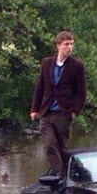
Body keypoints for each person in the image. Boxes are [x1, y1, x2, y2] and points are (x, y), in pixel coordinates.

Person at [30, 31, 87, 177]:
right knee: (49, 144)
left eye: (72, 44)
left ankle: (72, 174)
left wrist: (75, 111)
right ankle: (60, 175)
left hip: (64, 113)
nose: (70, 47)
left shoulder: (77, 66)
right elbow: (40, 87)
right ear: (58, 45)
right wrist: (34, 109)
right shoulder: (47, 63)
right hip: (46, 111)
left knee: (61, 148)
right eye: (66, 44)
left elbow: (81, 92)